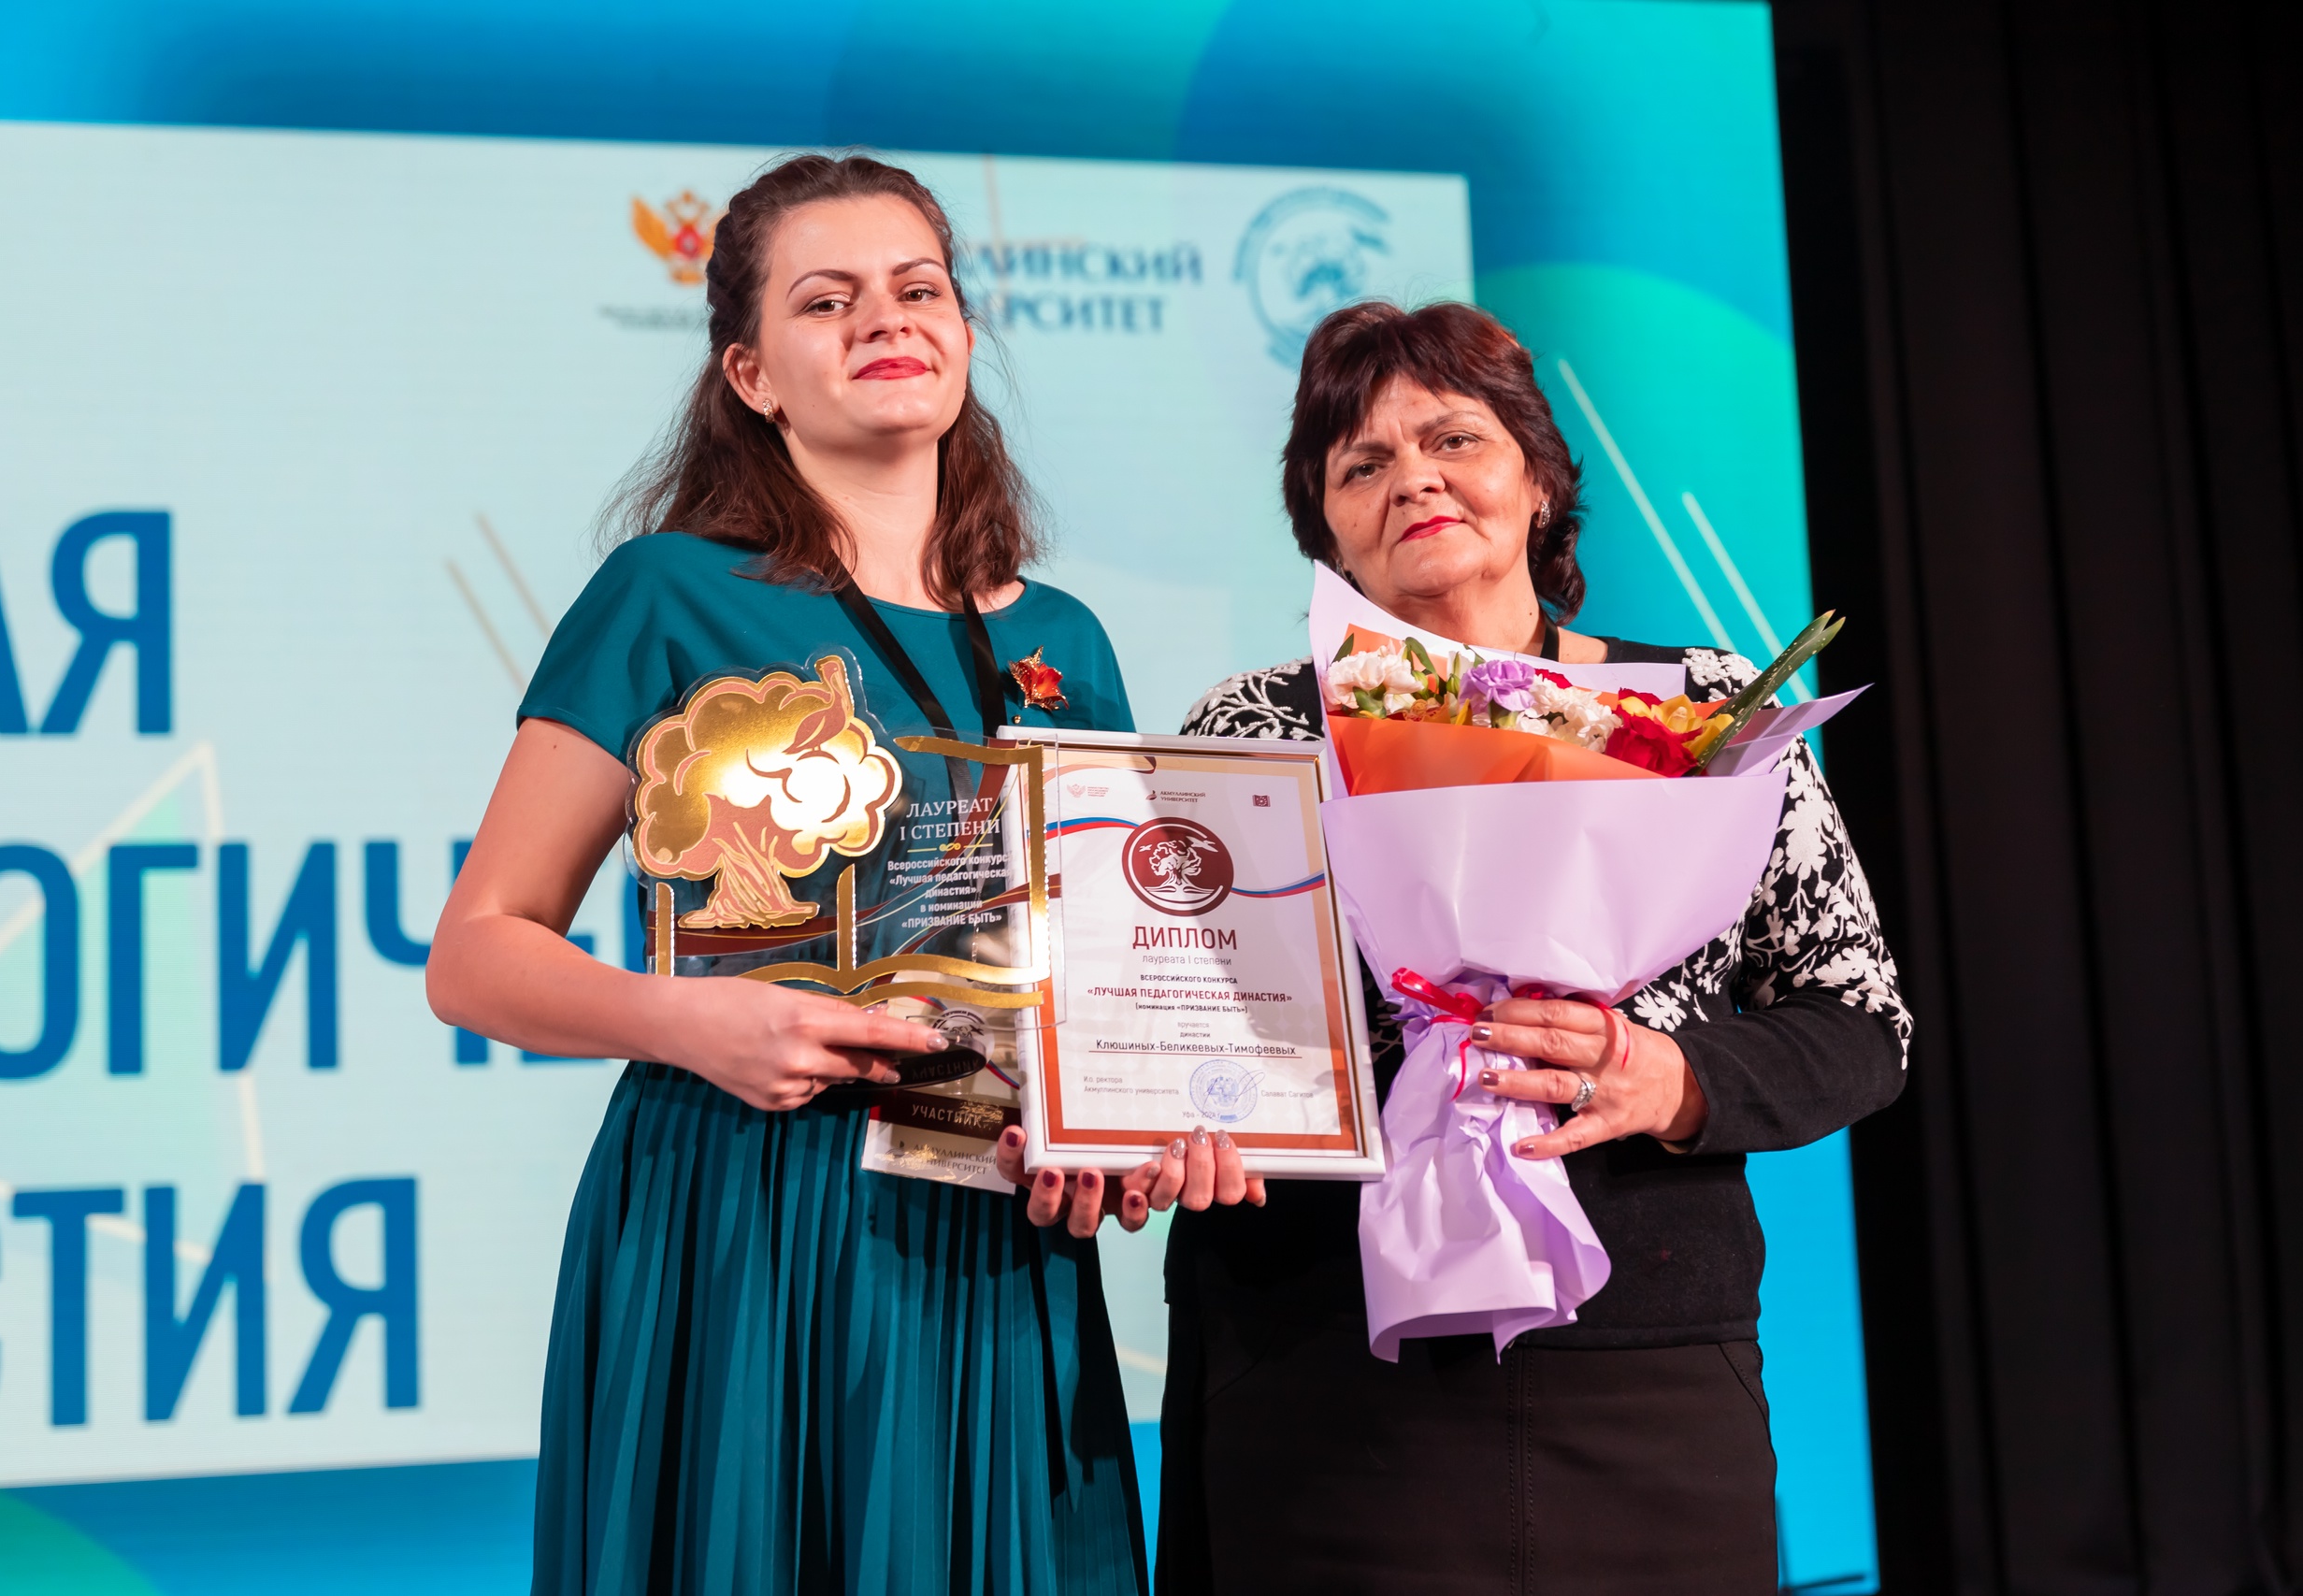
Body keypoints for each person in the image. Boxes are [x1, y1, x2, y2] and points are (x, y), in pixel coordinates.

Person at [428, 153, 1175, 1596]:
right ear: (751, 373)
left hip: (990, 1224)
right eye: (827, 301)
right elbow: (477, 952)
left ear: (963, 331)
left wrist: (1127, 1128)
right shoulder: (665, 594)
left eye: (918, 289)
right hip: (740, 1217)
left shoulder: (1065, 640)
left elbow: (1104, 978)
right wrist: (690, 1021)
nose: (884, 319)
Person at [1159, 300, 1913, 1593]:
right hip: (1326, 1373)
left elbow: (1860, 1022)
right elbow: (1176, 1017)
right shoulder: (1250, 732)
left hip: (1650, 1365)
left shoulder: (1708, 708)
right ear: (1325, 529)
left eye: (1454, 439)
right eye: (1362, 464)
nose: (1415, 481)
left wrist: (1675, 1080)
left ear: (1540, 479)